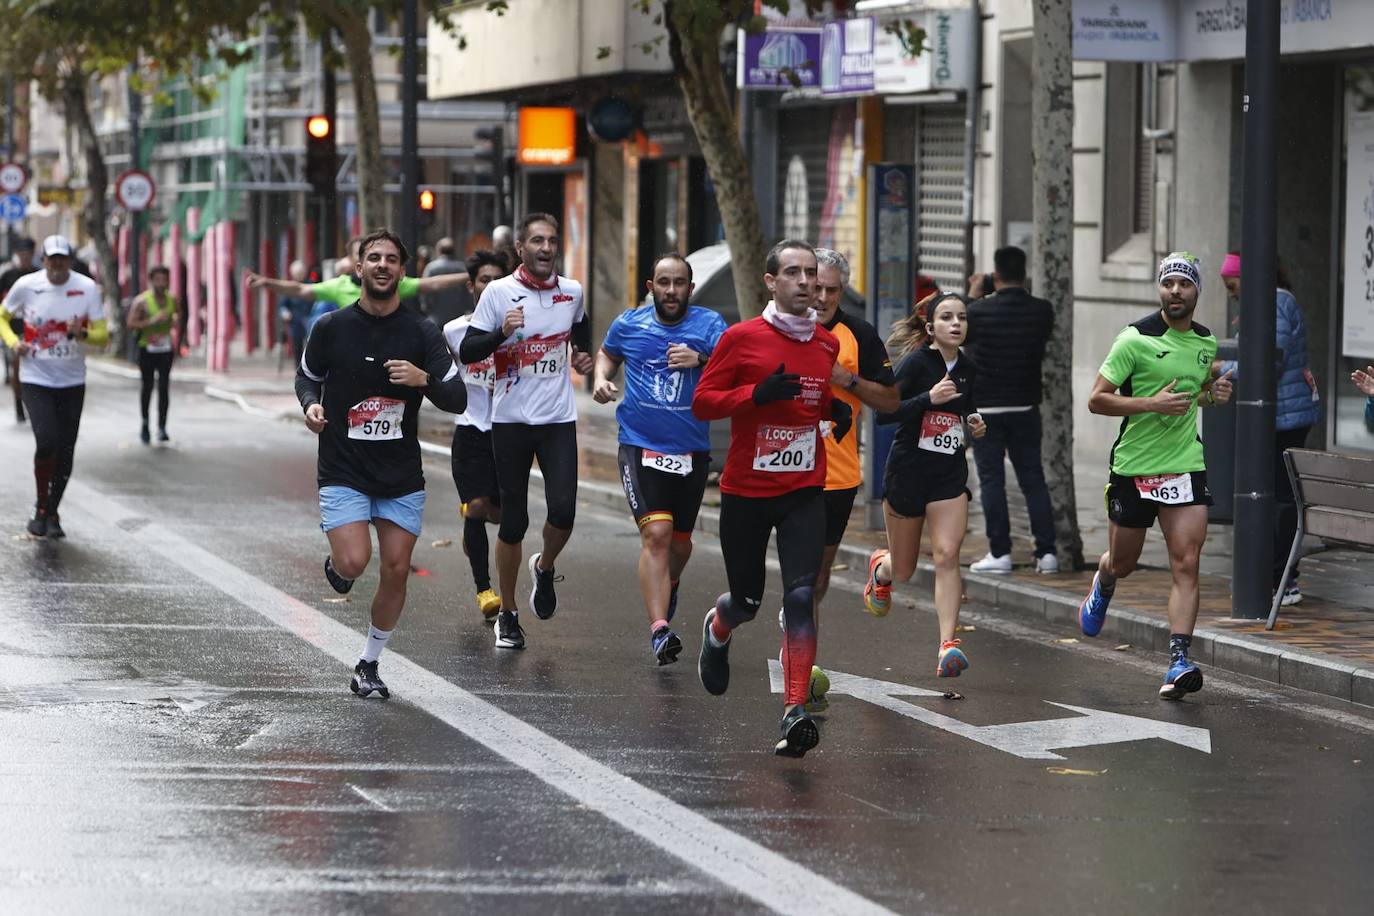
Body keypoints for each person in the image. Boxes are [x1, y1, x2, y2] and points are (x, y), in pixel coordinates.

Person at [691, 239, 852, 758]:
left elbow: (813, 395)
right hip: (747, 493)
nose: (806, 283)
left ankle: (793, 708)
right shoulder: (741, 339)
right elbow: (703, 402)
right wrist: (753, 396)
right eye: (794, 273)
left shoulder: (825, 345)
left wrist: (833, 410)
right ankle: (718, 629)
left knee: (801, 596)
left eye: (812, 274)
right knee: (749, 602)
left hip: (805, 488)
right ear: (771, 282)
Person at [295, 228, 467, 699]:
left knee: (395, 569)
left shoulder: (421, 332)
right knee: (355, 561)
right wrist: (311, 406)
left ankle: (368, 664)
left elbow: (457, 397)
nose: (383, 265)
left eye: (392, 258)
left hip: (399, 474)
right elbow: (307, 378)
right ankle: (340, 568)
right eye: (374, 257)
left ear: (403, 271)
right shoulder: (331, 327)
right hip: (344, 465)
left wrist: (423, 378)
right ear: (359, 268)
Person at [1077, 252, 1234, 701]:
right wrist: (1149, 403)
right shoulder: (1134, 339)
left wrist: (1213, 393)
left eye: (1184, 284)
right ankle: (1104, 581)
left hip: (1185, 463)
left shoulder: (1206, 342)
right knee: (1123, 562)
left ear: (1196, 291)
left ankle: (1179, 659)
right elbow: (1097, 400)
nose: (1176, 291)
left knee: (1186, 563)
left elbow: (1196, 393)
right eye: (1168, 284)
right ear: (1159, 290)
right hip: (1134, 467)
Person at [457, 213, 594, 651]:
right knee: (513, 520)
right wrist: (502, 331)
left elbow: (582, 329)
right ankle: (510, 614)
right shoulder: (498, 293)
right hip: (511, 420)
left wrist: (583, 357)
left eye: (552, 240)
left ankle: (546, 566)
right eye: (537, 240)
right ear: (521, 248)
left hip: (556, 420)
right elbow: (469, 348)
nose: (546, 247)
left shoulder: (571, 291)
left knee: (564, 511)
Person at [593, 252, 726, 665]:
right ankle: (659, 630)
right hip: (639, 443)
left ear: (690, 287)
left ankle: (669, 583)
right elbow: (608, 353)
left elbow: (737, 369)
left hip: (691, 450)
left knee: (681, 544)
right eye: (663, 282)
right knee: (658, 534)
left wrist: (701, 360)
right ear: (651, 287)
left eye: (679, 283)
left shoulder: (710, 326)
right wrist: (601, 378)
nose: (671, 290)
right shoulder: (630, 323)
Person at [862, 292, 987, 678]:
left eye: (962, 317)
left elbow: (968, 411)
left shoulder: (968, 369)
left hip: (948, 477)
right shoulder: (917, 363)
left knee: (948, 555)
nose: (956, 324)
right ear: (931, 328)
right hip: (908, 473)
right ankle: (879, 570)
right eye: (947, 317)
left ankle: (948, 644)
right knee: (903, 569)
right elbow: (885, 413)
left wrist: (976, 424)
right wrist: (926, 398)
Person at [807, 248, 897, 710]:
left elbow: (890, 400)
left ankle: (801, 655)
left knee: (817, 578)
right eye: (815, 286)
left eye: (832, 290)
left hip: (836, 477)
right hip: (781, 473)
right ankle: (800, 663)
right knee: (799, 577)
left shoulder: (858, 334)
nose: (821, 297)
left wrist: (848, 379)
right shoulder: (779, 327)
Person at [1217, 251, 1320, 606]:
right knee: (1278, 497)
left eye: (1233, 285)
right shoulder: (1272, 302)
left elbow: (1266, 361)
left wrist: (1219, 367)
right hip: (1284, 414)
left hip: (1285, 417)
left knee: (1279, 499)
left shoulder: (1275, 302)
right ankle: (1278, 575)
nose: (1231, 293)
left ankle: (1282, 578)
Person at [0, 235, 108, 539]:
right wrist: (12, 343)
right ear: (43, 260)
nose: (58, 265)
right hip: (36, 377)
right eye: (52, 259)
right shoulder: (27, 285)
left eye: (63, 259)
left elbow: (102, 336)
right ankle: (40, 505)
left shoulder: (87, 288)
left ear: (70, 261)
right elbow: (2, 317)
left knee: (66, 450)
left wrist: (82, 332)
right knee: (47, 441)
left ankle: (52, 509)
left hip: (72, 380)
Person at [963, 245, 1058, 575]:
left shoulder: (977, 312)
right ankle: (1047, 554)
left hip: (986, 407)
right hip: (1025, 406)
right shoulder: (1042, 310)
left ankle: (1000, 552)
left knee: (991, 480)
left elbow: (962, 329)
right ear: (1025, 272)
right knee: (1033, 479)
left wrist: (975, 293)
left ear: (996, 274)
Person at [441, 248, 511, 625]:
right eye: (484, 280)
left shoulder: (517, 329)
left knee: (502, 516)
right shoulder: (454, 331)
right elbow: (444, 376)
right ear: (471, 286)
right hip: (469, 431)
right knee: (478, 506)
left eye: (497, 281)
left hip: (507, 432)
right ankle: (485, 589)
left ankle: (473, 518)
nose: (489, 287)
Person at [246, 236, 470, 314]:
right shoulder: (340, 286)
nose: (380, 265)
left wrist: (469, 275)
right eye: (370, 257)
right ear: (356, 263)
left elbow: (432, 284)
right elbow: (300, 289)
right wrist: (267, 283)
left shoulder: (392, 284)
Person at [126, 265, 181, 444]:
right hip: (147, 349)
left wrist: (174, 322)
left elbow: (179, 318)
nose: (161, 283)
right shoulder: (142, 301)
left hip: (165, 349)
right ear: (151, 280)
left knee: (164, 388)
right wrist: (152, 321)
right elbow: (131, 323)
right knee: (147, 387)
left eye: (164, 279)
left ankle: (162, 427)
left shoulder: (172, 299)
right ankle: (145, 424)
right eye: (158, 279)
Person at [1, 237, 40, 423]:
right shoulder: (7, 276)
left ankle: (34, 404)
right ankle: (19, 406)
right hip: (14, 330)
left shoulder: (40, 276)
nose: (25, 259)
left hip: (37, 331)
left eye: (28, 256)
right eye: (21, 256)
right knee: (17, 368)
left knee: (35, 371)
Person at [422, 237, 473, 326]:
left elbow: (425, 293)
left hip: (436, 318)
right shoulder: (463, 268)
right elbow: (469, 294)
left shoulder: (431, 268)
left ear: (439, 251)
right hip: (459, 319)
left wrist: (427, 309)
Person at [278, 260, 314, 357]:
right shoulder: (289, 287)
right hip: (295, 320)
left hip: (309, 319)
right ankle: (298, 366)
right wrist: (285, 313)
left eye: (301, 273)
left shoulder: (310, 284)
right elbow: (283, 305)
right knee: (297, 346)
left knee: (311, 346)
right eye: (297, 273)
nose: (300, 275)